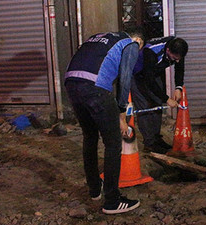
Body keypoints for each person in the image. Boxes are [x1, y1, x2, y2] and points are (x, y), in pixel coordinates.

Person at [64, 30, 144, 215]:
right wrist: (122, 115)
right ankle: (112, 201)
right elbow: (125, 79)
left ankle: (94, 189)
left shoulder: (99, 38)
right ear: (138, 40)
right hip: (95, 88)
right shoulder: (130, 44)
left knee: (90, 137)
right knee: (113, 143)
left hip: (72, 83)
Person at [131, 36, 189, 153]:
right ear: (168, 51)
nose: (177, 61)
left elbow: (179, 69)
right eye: (174, 58)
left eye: (179, 58)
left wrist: (178, 87)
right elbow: (149, 80)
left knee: (157, 103)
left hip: (153, 73)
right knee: (144, 108)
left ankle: (156, 138)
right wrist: (167, 99)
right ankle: (149, 144)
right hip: (138, 74)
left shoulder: (177, 49)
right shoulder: (151, 51)